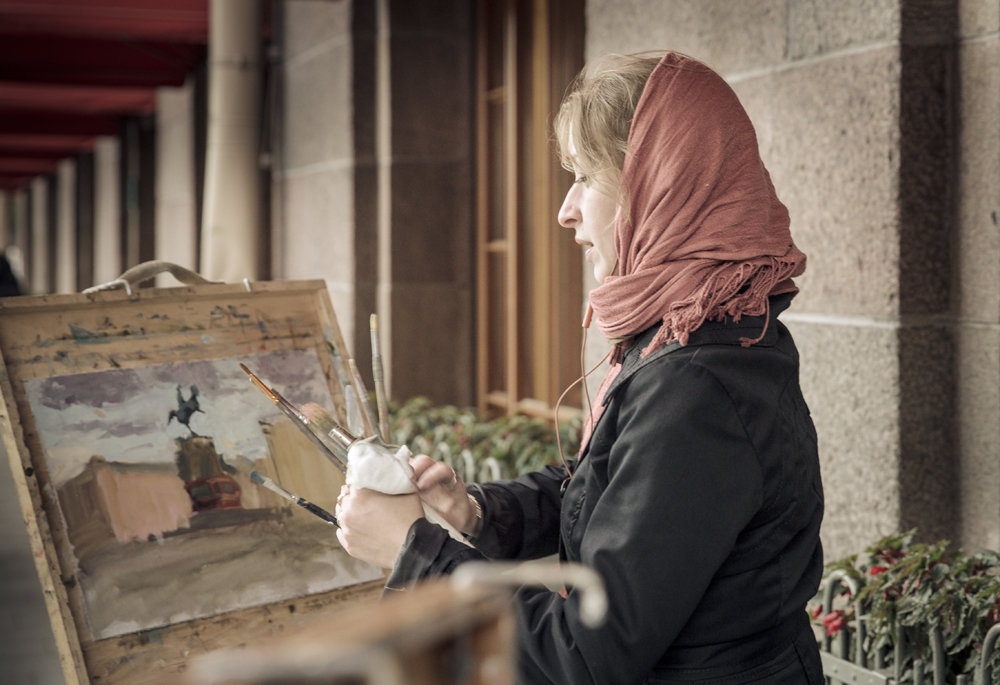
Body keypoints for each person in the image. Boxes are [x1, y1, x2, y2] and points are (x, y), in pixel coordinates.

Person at [335, 51, 825, 684]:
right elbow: (622, 489)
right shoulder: (703, 328)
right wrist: (477, 514)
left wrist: (415, 554)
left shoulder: (697, 380)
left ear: (660, 185)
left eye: (586, 178)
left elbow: (587, 652)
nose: (566, 210)